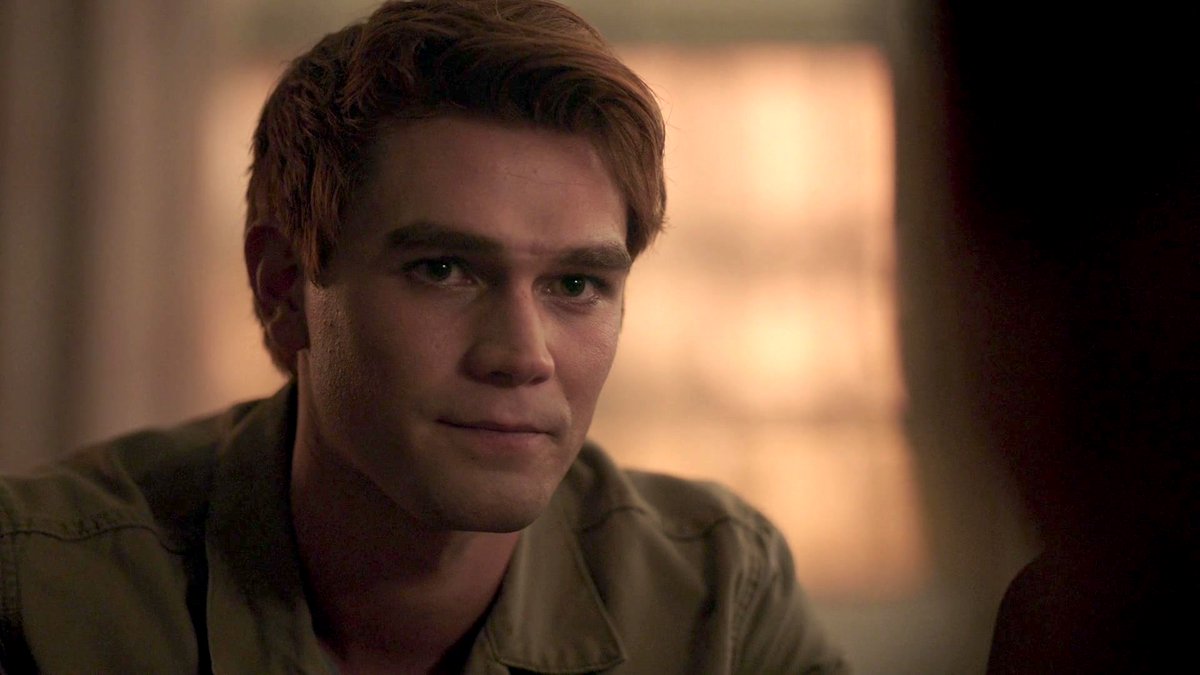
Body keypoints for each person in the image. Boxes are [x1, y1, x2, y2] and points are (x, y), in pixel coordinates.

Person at [0, 1, 847, 672]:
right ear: (284, 287)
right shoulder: (38, 595)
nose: (522, 355)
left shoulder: (718, 601)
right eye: (444, 269)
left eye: (575, 284)